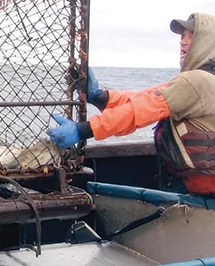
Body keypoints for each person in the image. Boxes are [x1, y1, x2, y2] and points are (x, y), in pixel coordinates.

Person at [47, 12, 215, 196]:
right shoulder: (201, 80)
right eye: (182, 36)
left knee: (97, 196)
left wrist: (83, 130)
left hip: (204, 196)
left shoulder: (197, 81)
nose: (183, 42)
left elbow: (140, 111)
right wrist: (100, 97)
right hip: (193, 187)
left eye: (192, 37)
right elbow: (145, 98)